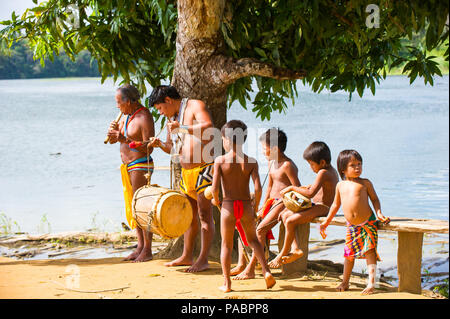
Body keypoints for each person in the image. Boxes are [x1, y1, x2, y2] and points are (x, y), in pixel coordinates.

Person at [148, 85, 215, 272]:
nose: (160, 113)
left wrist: (182, 127)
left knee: (204, 216)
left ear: (168, 100)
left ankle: (203, 259)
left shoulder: (194, 106)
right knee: (188, 216)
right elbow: (172, 148)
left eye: (160, 108)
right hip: (186, 173)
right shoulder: (171, 118)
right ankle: (186, 256)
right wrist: (160, 144)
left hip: (204, 169)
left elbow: (209, 127)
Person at [211, 120, 276, 292]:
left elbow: (214, 189)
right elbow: (258, 188)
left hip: (229, 205)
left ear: (225, 139)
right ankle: (266, 271)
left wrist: (216, 201)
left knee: (226, 244)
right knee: (253, 240)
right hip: (246, 205)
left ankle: (227, 283)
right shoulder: (251, 161)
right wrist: (254, 208)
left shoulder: (220, 161)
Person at [233, 128, 301, 280]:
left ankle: (252, 268)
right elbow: (269, 187)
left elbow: (297, 188)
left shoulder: (287, 165)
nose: (263, 151)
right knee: (245, 223)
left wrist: (291, 209)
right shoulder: (272, 163)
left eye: (265, 148)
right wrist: (261, 206)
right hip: (271, 203)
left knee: (260, 230)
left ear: (275, 149)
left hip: (282, 203)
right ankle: (241, 263)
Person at [319, 149, 390, 295]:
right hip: (352, 226)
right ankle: (345, 281)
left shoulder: (365, 183)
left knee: (370, 252)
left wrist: (379, 213)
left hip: (368, 222)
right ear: (343, 169)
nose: (358, 168)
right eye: (353, 165)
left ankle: (371, 283)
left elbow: (375, 199)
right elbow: (335, 205)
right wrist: (327, 221)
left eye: (360, 164)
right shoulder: (340, 185)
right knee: (349, 254)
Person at [269, 141, 339, 268]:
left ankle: (283, 252)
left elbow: (311, 193)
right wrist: (302, 189)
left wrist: (292, 188)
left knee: (290, 221)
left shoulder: (323, 172)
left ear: (322, 162)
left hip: (323, 208)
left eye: (312, 164)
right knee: (285, 215)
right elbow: (314, 188)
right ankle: (296, 249)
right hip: (315, 205)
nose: (311, 167)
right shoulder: (329, 171)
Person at [107, 84, 155, 262]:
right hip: (127, 166)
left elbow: (149, 146)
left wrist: (123, 139)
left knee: (142, 207)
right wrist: (114, 136)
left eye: (119, 102)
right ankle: (140, 246)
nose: (117, 106)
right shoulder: (126, 117)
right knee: (133, 208)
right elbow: (117, 141)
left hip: (141, 164)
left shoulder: (144, 116)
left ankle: (148, 249)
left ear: (128, 101)